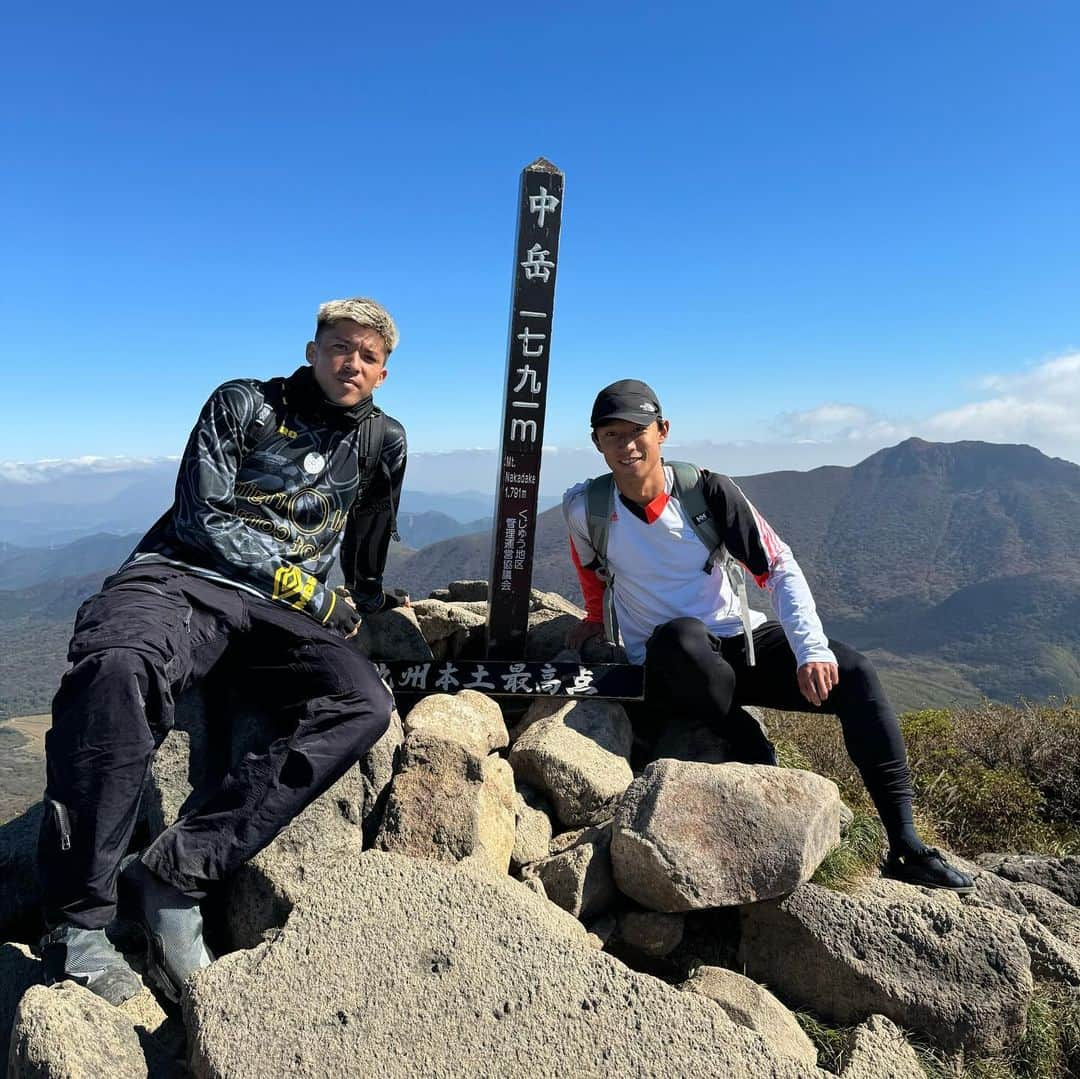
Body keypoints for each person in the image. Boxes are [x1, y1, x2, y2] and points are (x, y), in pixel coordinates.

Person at [38, 297, 408, 1004]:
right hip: (183, 575)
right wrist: (309, 588)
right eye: (340, 346)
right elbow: (200, 517)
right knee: (119, 665)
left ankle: (175, 870)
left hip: (277, 615)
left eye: (367, 355)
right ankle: (78, 924)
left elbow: (369, 530)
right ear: (312, 349)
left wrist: (373, 593)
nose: (351, 362)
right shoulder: (244, 403)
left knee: (362, 703)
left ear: (383, 372)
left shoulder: (381, 440)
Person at [563, 378, 972, 893]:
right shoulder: (587, 509)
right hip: (669, 663)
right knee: (682, 639)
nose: (626, 446)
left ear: (662, 431)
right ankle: (743, 737)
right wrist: (595, 618)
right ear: (596, 443)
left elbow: (776, 566)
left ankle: (906, 844)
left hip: (738, 644)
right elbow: (592, 569)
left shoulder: (705, 493)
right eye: (611, 434)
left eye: (636, 431)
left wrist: (810, 649)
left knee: (858, 676)